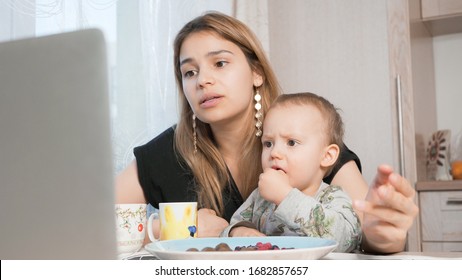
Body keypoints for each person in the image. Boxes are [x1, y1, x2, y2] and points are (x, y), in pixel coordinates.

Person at [115, 11, 418, 253]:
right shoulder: (165, 152)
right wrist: (171, 230)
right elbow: (89, 228)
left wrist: (383, 235)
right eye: (189, 72)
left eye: (219, 63)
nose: (202, 80)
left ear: (256, 72)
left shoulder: (306, 135)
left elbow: (368, 230)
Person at [221, 92, 361, 253]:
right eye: (268, 143)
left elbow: (346, 240)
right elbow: (232, 227)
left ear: (326, 156)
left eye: (291, 142)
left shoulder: (332, 197)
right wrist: (237, 232)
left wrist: (286, 197)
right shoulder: (260, 198)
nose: (275, 152)